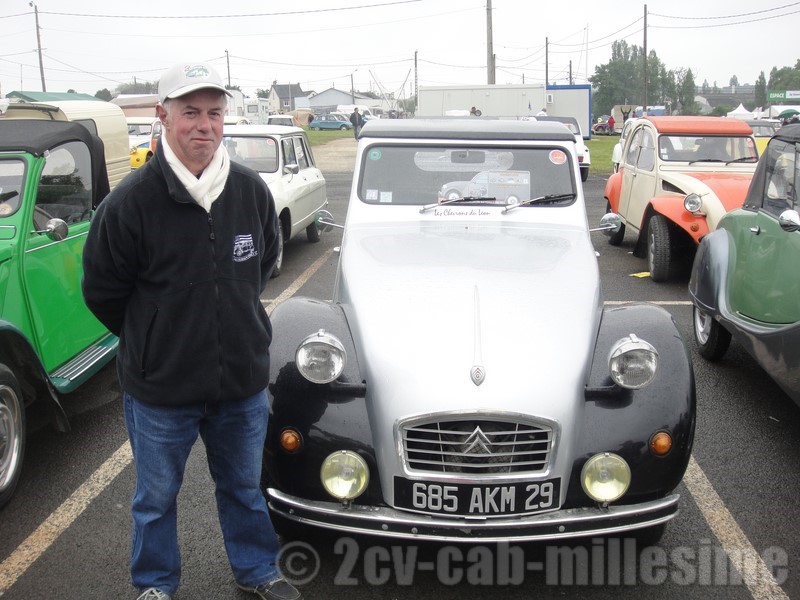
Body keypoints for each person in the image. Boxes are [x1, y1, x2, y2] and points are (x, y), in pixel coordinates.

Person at [82, 61, 302, 600]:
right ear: (163, 117)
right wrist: (156, 340)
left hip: (240, 387)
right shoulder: (130, 202)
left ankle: (257, 570)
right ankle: (155, 584)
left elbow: (266, 261)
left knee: (245, 488)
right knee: (155, 498)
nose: (204, 125)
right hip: (162, 390)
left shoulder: (250, 191)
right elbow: (103, 290)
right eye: (190, 113)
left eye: (214, 113)